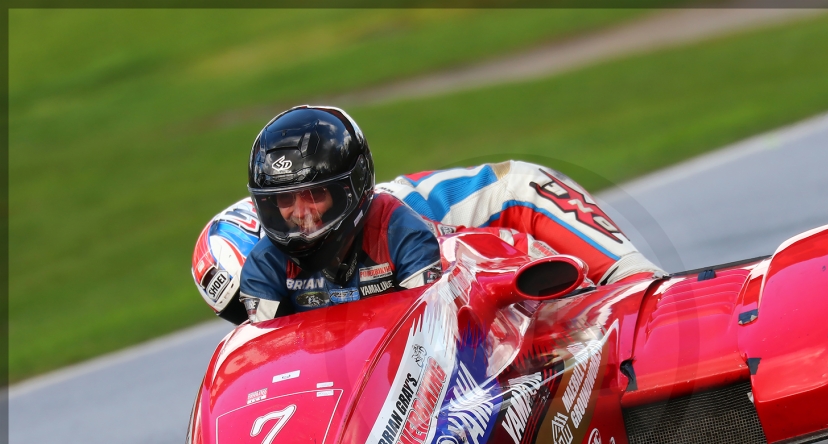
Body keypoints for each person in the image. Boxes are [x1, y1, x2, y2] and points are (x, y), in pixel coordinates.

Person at [193, 105, 662, 324]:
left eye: (313, 197)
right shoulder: (256, 271)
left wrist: (628, 273)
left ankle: (646, 292)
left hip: (480, 286)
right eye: (283, 204)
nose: (300, 219)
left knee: (528, 191)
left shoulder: (406, 213)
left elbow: (523, 183)